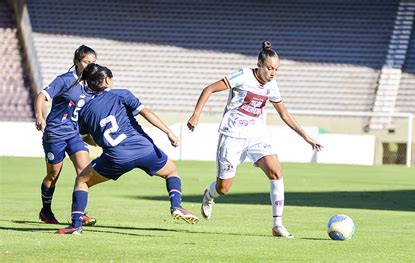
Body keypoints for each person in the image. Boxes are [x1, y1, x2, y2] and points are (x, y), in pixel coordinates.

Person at [187, 41, 323, 238]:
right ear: (259, 64)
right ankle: (209, 194)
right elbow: (209, 89)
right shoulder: (242, 75)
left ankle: (277, 225)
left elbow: (284, 114)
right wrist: (196, 114)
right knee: (223, 188)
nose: (272, 73)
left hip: (256, 136)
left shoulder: (272, 86)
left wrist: (306, 137)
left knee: (275, 171)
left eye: (276, 69)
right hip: (232, 136)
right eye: (269, 68)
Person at [56, 63, 199, 235]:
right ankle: (176, 205)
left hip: (116, 156)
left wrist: (99, 142)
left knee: (82, 181)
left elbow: (86, 137)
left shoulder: (85, 110)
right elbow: (146, 113)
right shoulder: (122, 94)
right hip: (143, 148)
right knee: (171, 172)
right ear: (107, 80)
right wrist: (168, 132)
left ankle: (76, 225)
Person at [34, 45, 97, 225]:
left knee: (85, 173)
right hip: (55, 133)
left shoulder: (91, 84)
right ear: (77, 62)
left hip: (75, 134)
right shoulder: (65, 80)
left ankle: (80, 213)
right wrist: (40, 116)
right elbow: (41, 96)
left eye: (93, 62)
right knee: (53, 175)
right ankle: (45, 211)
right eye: (86, 61)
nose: (90, 65)